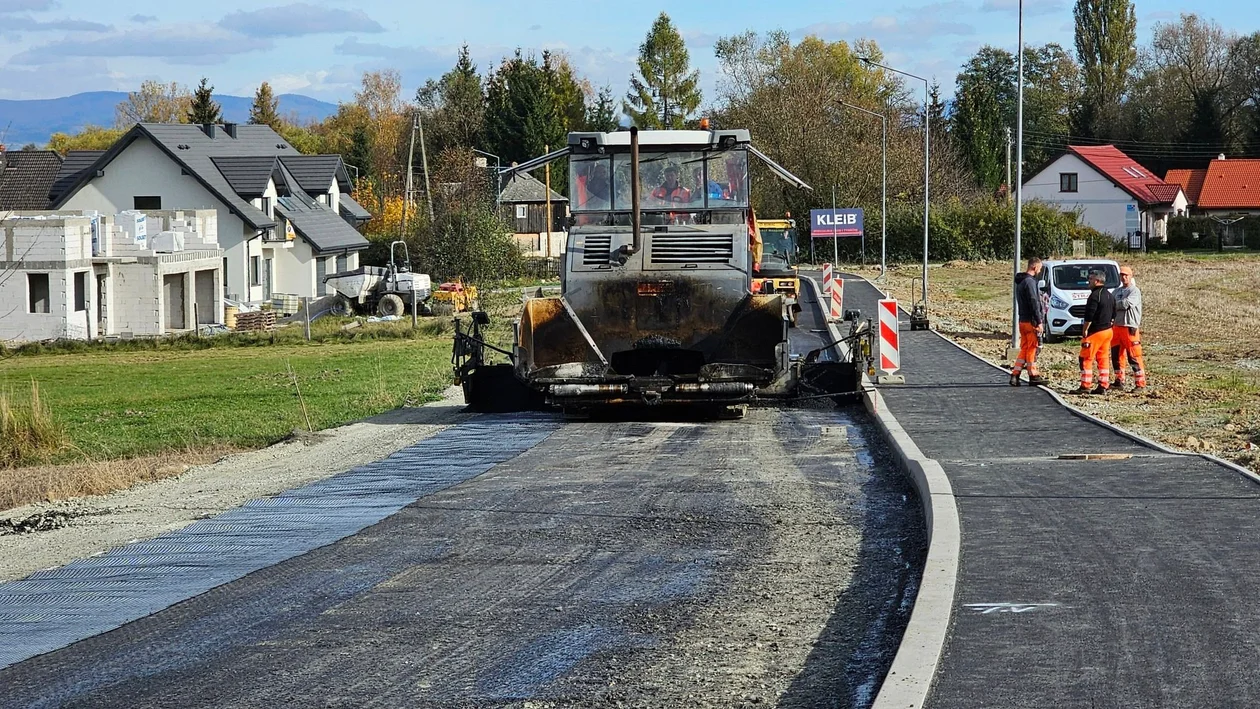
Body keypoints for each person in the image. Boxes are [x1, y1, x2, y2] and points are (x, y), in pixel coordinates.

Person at [1072, 270, 1115, 395]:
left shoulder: (1095, 296)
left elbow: (1089, 315)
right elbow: (1114, 314)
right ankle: (1103, 385)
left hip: (1096, 332)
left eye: (1090, 279)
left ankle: (1085, 385)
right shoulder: (1109, 295)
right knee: (1103, 358)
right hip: (1108, 331)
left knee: (1086, 358)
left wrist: (1085, 329)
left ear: (1097, 281)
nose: (1088, 282)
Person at [1011, 257, 1048, 387]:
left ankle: (1015, 374)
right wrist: (1039, 321)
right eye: (1040, 268)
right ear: (1034, 267)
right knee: (1032, 347)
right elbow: (1034, 302)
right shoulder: (1030, 282)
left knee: (1025, 348)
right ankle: (1033, 375)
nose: (1040, 270)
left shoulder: (1020, 282)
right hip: (1031, 321)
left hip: (1022, 320)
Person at [1111, 265, 1147, 391]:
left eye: (1126, 275)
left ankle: (1140, 383)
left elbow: (1127, 304)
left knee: (1134, 355)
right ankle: (1119, 381)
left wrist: (1115, 304)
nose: (1124, 277)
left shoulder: (1134, 291)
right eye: (1122, 275)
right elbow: (1111, 304)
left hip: (1129, 327)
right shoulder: (1116, 291)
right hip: (1116, 327)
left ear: (1131, 276)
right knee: (1116, 355)